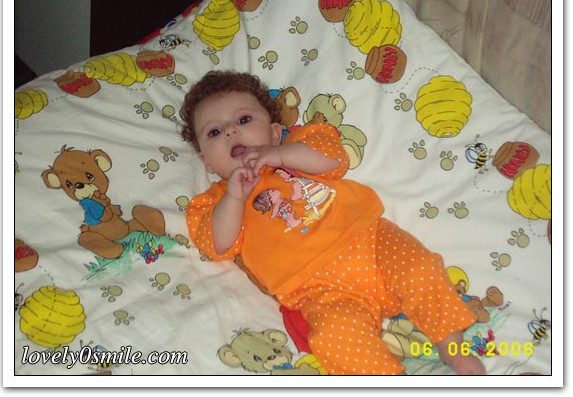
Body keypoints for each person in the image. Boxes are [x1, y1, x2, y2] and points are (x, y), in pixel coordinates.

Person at [180, 70, 485, 375]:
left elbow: (334, 159)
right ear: (207, 162)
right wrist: (234, 197)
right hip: (319, 291)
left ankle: (452, 345)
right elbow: (218, 244)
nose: (231, 132)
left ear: (274, 133)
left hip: (371, 244)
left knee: (419, 269)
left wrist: (280, 155)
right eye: (214, 132)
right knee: (333, 338)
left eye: (244, 120)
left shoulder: (298, 147)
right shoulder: (216, 201)